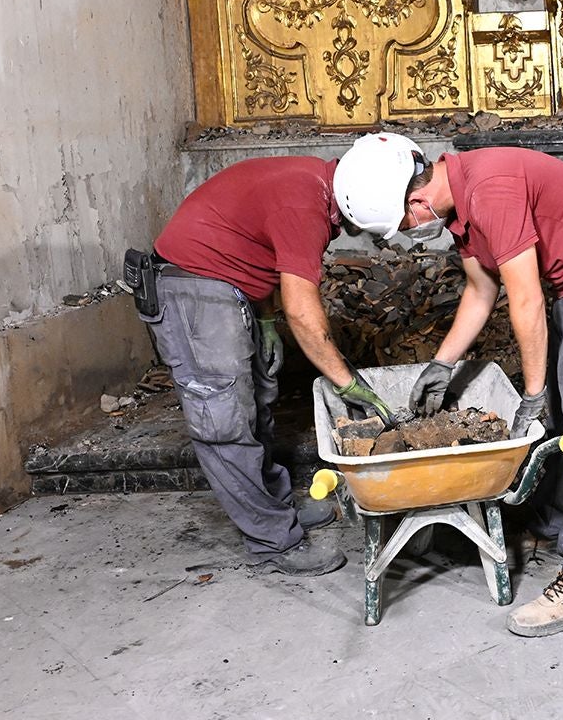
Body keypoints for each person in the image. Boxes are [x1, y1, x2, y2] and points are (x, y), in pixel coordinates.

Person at [333, 134, 563, 638]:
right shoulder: (460, 202)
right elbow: (482, 290)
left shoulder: (491, 192)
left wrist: (533, 394)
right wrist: (442, 363)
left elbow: (524, 299)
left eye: (404, 227)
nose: (410, 236)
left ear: (416, 200)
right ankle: (557, 526)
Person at [136, 155, 392, 576]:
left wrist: (266, 318)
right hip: (194, 290)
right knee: (224, 423)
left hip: (226, 285)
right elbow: (303, 312)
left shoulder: (317, 184)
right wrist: (345, 382)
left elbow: (260, 249)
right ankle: (272, 541)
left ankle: (275, 507)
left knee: (258, 402)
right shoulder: (304, 204)